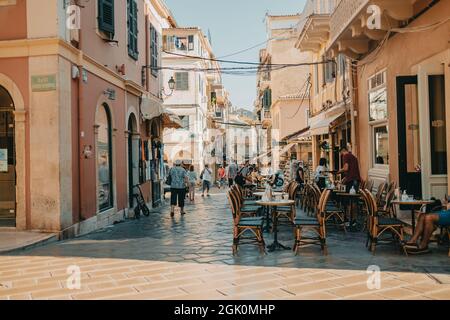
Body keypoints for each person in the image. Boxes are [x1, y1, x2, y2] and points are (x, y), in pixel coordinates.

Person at [338, 147, 362, 227]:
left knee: (348, 200)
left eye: (341, 154)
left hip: (351, 180)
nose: (341, 156)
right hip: (356, 180)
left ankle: (348, 220)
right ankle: (353, 220)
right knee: (354, 200)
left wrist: (339, 171)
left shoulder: (346, 156)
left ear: (342, 151)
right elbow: (351, 169)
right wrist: (346, 177)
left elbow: (346, 168)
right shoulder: (353, 157)